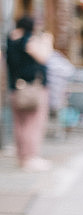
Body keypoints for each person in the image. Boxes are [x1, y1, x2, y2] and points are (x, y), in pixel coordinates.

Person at [5, 16, 52, 171]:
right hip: (32, 89)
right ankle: (30, 158)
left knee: (19, 125)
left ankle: (22, 157)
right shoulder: (28, 41)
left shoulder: (10, 41)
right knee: (33, 124)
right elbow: (44, 57)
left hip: (15, 89)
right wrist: (46, 41)